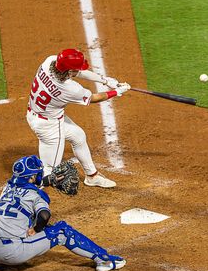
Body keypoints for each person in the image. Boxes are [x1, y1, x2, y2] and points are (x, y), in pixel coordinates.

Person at [0, 155, 126, 271]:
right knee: (62, 231)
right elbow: (43, 215)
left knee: (13, 222)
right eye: (36, 174)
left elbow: (25, 189)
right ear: (31, 177)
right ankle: (105, 260)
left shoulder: (7, 188)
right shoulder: (36, 196)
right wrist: (35, 230)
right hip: (13, 254)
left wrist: (48, 181)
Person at [26, 48, 131, 188]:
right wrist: (116, 91)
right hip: (49, 128)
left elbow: (78, 72)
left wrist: (105, 81)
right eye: (74, 70)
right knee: (48, 174)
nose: (77, 71)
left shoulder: (49, 62)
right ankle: (13, 195)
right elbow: (93, 98)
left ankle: (92, 176)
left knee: (78, 136)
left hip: (38, 113)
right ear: (69, 72)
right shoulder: (69, 88)